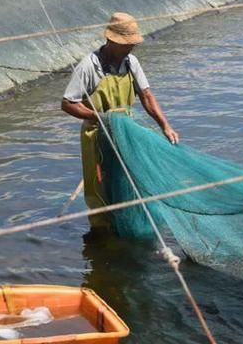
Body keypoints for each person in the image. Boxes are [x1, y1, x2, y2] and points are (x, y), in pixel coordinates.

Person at [61, 12, 179, 209]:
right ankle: (102, 227)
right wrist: (100, 117)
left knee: (129, 182)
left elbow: (147, 96)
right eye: (126, 43)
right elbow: (67, 103)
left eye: (132, 43)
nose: (130, 47)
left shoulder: (131, 62)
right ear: (110, 40)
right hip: (98, 136)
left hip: (125, 132)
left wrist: (165, 126)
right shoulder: (90, 66)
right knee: (100, 188)